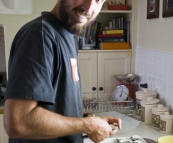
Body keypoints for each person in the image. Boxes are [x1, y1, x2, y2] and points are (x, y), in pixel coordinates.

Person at [3, 0, 122, 143]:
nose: (89, 7)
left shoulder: (70, 37)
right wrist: (88, 126)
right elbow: (18, 122)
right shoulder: (39, 35)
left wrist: (89, 118)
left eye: (98, 0)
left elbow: (59, 106)